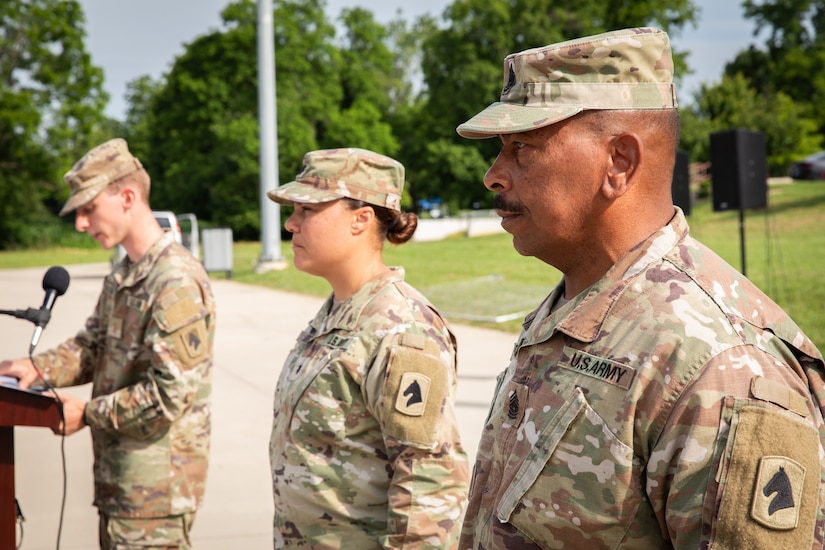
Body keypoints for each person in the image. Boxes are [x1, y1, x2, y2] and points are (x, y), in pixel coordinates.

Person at [454, 27, 825, 549]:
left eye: (523, 147)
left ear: (618, 163)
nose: (494, 175)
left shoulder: (720, 364)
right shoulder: (578, 305)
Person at [0, 138, 216, 549]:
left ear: (128, 197)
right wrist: (35, 368)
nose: (81, 223)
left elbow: (168, 396)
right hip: (123, 485)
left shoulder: (174, 281)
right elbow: (92, 346)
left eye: (88, 208)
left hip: (155, 495)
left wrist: (88, 412)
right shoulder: (125, 274)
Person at [266, 148, 469, 548]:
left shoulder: (402, 329)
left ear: (362, 219)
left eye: (308, 210)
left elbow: (429, 486)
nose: (291, 223)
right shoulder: (337, 314)